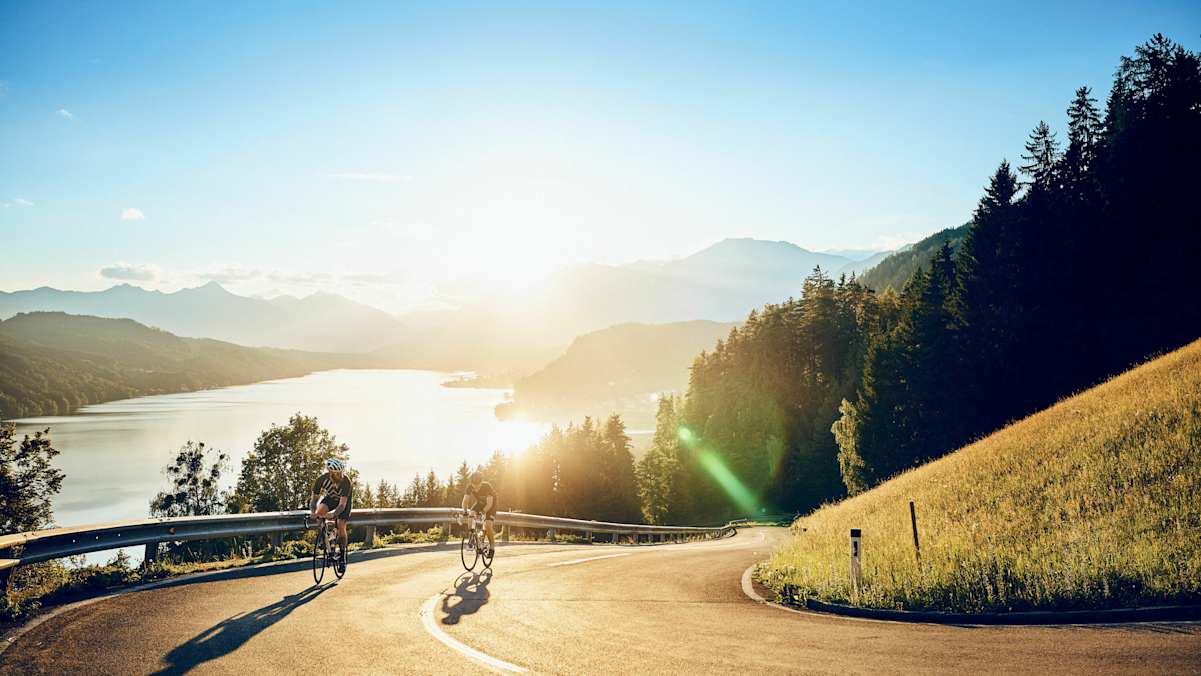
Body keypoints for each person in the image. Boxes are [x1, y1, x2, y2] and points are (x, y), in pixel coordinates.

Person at [310, 457, 352, 566]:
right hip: (330, 499)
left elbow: (342, 505)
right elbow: (314, 501)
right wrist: (313, 512)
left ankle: (342, 556)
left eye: (340, 473)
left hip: (343, 503)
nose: (338, 476)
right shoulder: (321, 480)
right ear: (330, 473)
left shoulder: (346, 482)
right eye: (336, 474)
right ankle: (324, 537)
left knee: (341, 525)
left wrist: (333, 514)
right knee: (319, 512)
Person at [461, 471, 497, 554]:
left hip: (491, 505)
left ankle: (492, 547)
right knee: (471, 514)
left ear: (481, 482)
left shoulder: (487, 486)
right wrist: (465, 511)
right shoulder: (470, 487)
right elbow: (465, 501)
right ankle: (472, 539)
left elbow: (489, 504)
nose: (476, 488)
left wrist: (483, 512)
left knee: (487, 525)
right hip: (480, 503)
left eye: (478, 486)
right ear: (471, 483)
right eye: (474, 486)